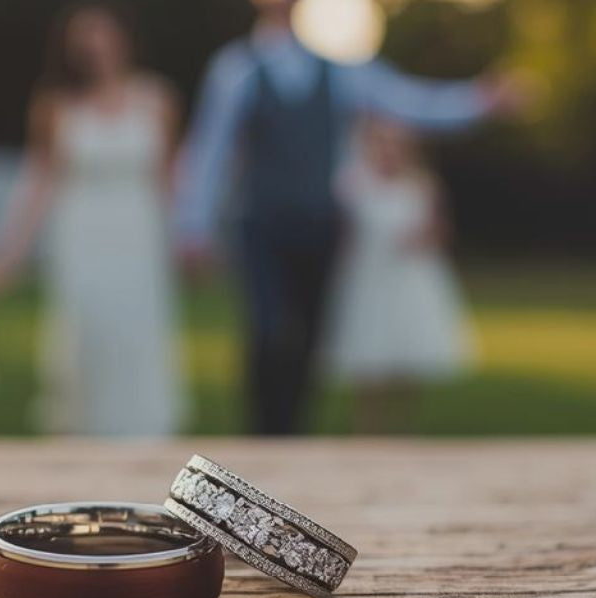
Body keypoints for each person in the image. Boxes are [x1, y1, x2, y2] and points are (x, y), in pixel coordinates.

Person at [172, 0, 522, 436]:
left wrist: (480, 99)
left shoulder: (340, 71)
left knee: (310, 343)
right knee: (270, 332)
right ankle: (263, 438)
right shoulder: (236, 69)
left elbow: (408, 102)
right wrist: (192, 226)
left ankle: (294, 442)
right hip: (262, 224)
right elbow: (211, 150)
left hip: (322, 226)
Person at [0, 2, 186, 440]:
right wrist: (9, 254)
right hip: (80, 234)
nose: (92, 44)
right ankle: (80, 435)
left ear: (121, 37)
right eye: (82, 36)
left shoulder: (157, 99)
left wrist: (191, 236)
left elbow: (172, 177)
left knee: (137, 332)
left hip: (138, 233)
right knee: (85, 334)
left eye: (100, 32)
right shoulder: (56, 105)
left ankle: (142, 438)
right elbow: (39, 181)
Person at [329, 117, 471, 435]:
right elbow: (341, 234)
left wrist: (425, 238)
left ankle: (403, 428)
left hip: (412, 278)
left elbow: (441, 230)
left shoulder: (422, 185)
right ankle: (367, 426)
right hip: (368, 277)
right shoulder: (352, 185)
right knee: (367, 352)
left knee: (409, 351)